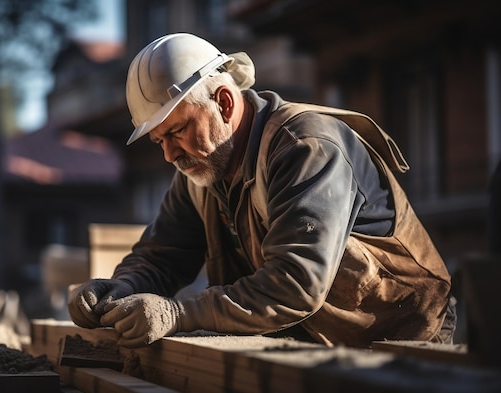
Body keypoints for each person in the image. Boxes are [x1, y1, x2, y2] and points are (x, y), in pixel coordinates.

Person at [68, 33, 455, 349]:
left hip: (402, 343)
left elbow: (294, 283)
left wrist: (176, 314)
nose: (169, 154)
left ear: (222, 101)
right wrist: (120, 289)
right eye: (158, 141)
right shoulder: (200, 169)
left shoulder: (306, 147)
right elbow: (161, 258)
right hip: (315, 346)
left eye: (177, 131)